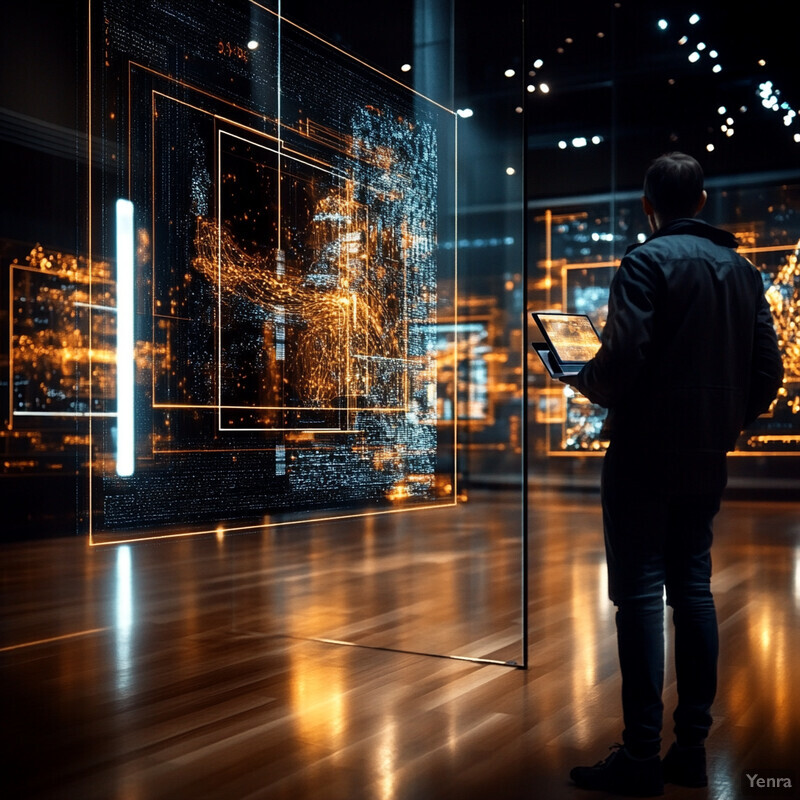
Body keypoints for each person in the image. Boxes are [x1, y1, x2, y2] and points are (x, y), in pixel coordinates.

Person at [563, 152, 784, 796]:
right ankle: (690, 749)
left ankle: (638, 755)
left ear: (646, 205)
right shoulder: (744, 273)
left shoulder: (644, 262)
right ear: (705, 200)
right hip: (704, 456)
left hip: (641, 453)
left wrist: (582, 377)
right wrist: (724, 421)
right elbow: (766, 372)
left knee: (638, 596)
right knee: (693, 589)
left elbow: (624, 357)